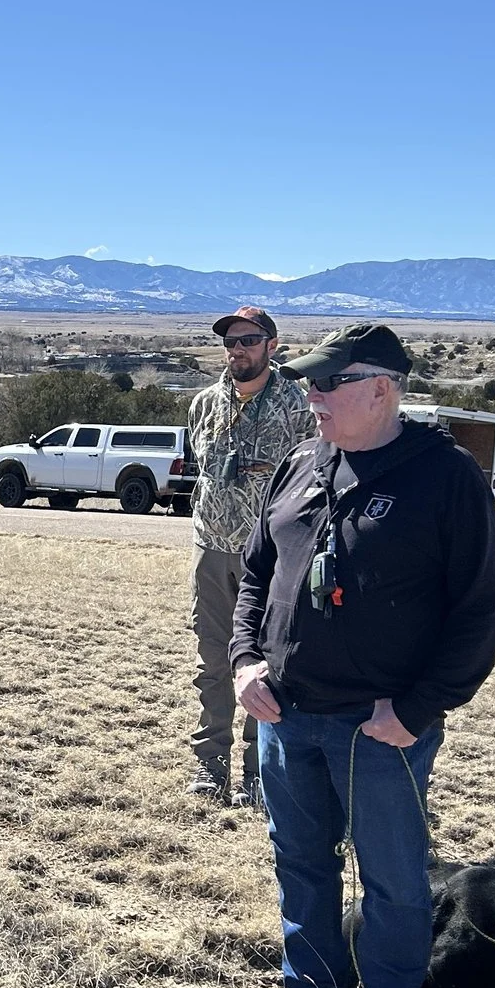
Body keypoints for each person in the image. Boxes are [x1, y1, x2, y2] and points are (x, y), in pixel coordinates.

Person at [230, 322, 495, 988]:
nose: (311, 397)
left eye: (329, 383)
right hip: (285, 716)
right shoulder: (301, 463)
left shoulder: (446, 477)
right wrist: (245, 661)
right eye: (308, 383)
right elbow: (255, 574)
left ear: (381, 388)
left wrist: (416, 711)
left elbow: (479, 613)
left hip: (380, 731)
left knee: (393, 883)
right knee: (302, 867)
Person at [183, 306, 315, 805]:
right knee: (213, 661)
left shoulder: (298, 405)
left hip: (273, 559)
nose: (237, 349)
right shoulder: (204, 405)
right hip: (212, 550)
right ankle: (209, 764)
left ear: (271, 345)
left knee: (268, 664)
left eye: (249, 340)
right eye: (230, 341)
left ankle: (260, 770)